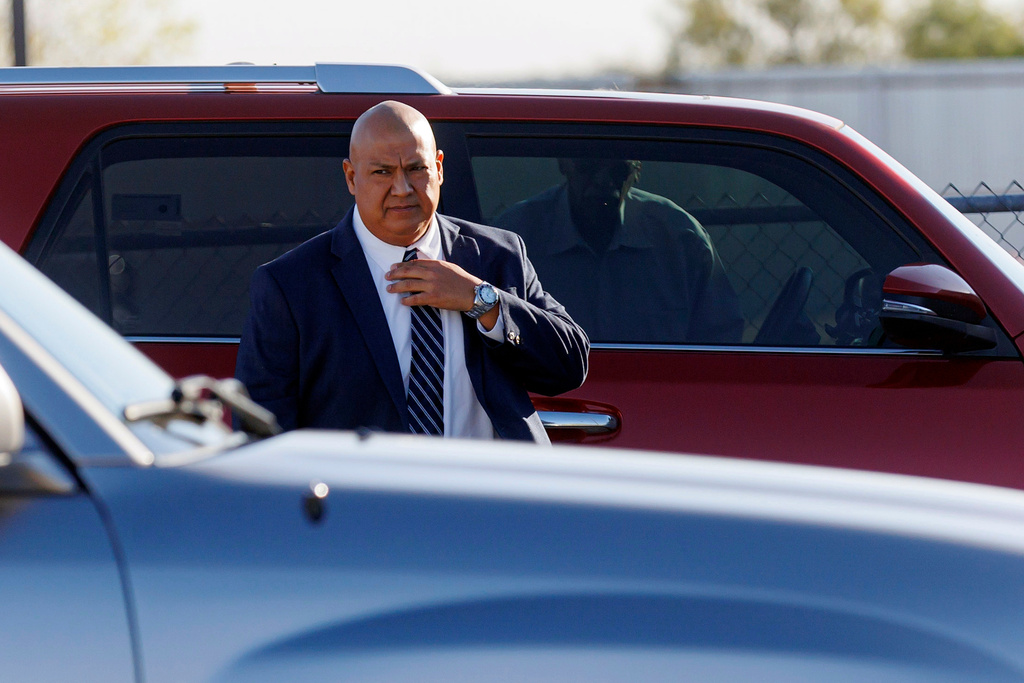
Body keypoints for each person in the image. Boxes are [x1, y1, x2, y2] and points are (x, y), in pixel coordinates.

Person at [235, 101, 589, 442]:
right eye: (382, 172)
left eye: (416, 168)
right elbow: (261, 431)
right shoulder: (292, 285)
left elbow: (570, 365)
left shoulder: (496, 255)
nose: (402, 189)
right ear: (351, 177)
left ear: (439, 167)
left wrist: (482, 300)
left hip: (485, 496)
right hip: (363, 501)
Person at [495, 158, 744, 344]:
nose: (603, 184)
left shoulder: (680, 240)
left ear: (637, 171)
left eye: (617, 170)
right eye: (589, 167)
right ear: (565, 164)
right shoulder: (515, 238)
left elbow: (721, 337)